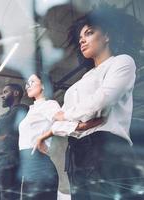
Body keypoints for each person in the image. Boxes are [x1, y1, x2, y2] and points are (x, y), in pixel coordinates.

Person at [35, 5, 144, 200]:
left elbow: (102, 100)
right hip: (76, 154)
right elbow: (59, 122)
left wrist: (67, 116)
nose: (82, 40)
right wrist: (76, 124)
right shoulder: (81, 82)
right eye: (80, 38)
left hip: (107, 148)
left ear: (107, 36)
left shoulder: (121, 62)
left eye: (90, 33)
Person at [18, 74, 59, 199]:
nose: (27, 86)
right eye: (27, 83)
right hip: (28, 165)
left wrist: (43, 137)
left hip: (40, 165)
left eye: (32, 81)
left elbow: (64, 121)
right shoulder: (32, 109)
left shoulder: (49, 104)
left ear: (44, 85)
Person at [0, 83, 28, 200]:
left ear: (16, 93)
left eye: (5, 92)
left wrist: (0, 132)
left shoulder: (23, 110)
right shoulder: (3, 116)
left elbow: (3, 132)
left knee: (8, 197)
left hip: (11, 160)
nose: (2, 95)